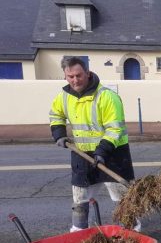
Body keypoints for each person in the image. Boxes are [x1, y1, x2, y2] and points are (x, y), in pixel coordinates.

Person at [49, 56, 139, 232]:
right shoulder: (64, 97)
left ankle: (131, 229)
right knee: (80, 196)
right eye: (70, 76)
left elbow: (115, 129)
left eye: (79, 75)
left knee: (121, 196)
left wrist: (102, 151)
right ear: (65, 77)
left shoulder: (107, 97)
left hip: (112, 154)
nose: (75, 80)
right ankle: (79, 230)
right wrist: (59, 134)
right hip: (82, 154)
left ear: (87, 73)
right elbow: (55, 115)